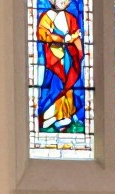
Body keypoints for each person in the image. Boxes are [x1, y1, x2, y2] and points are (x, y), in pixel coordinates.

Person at [36, 0, 84, 132]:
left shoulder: (70, 18)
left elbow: (76, 37)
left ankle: (65, 115)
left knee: (68, 84)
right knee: (57, 85)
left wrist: (76, 42)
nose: (63, 1)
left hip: (69, 56)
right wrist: (62, 39)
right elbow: (42, 34)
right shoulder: (47, 16)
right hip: (55, 59)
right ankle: (51, 116)